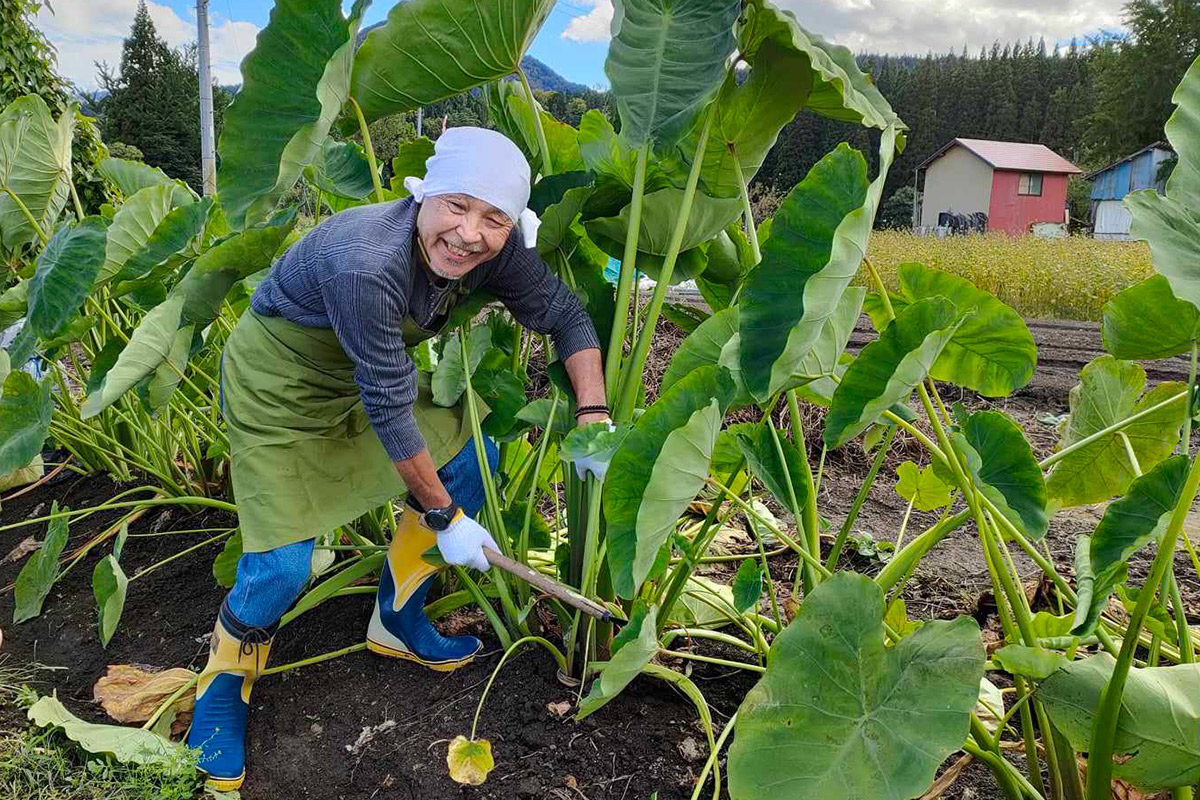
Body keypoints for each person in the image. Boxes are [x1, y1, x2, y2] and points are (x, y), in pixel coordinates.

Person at [188, 127, 613, 790]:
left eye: (492, 218)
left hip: (363, 372)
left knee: (473, 459)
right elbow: (388, 409)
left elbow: (567, 317)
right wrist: (447, 520)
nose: (470, 233)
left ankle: (397, 616)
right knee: (280, 566)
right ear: (426, 197)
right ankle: (223, 678)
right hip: (282, 381)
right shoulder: (368, 261)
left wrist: (593, 418)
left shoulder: (493, 250)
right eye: (457, 207)